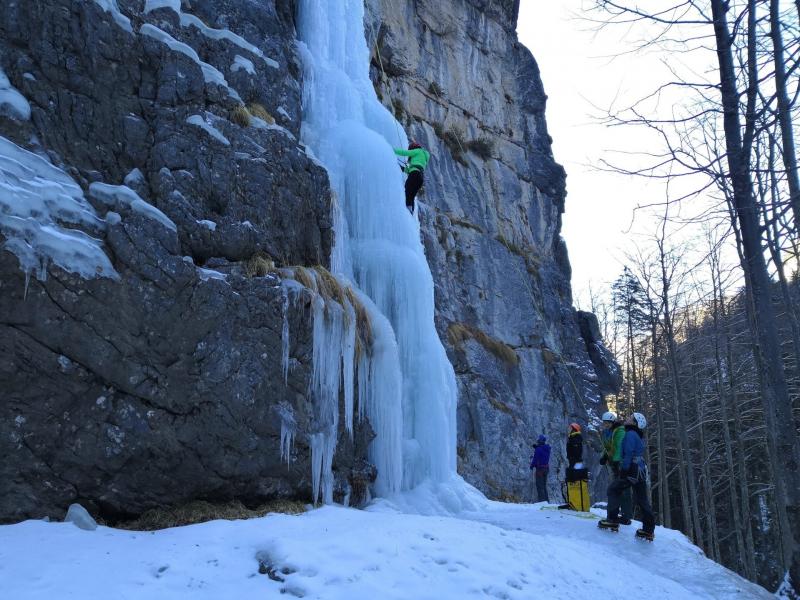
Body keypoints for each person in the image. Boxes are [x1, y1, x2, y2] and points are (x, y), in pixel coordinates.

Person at [599, 412, 656, 540]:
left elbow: (628, 453)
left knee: (613, 489)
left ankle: (612, 520)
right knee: (642, 500)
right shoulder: (636, 434)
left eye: (631, 418)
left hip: (632, 469)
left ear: (634, 423)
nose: (628, 418)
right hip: (640, 469)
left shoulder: (630, 434)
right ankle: (648, 530)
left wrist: (624, 470)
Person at [599, 411, 632, 524]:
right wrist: (604, 456)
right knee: (617, 489)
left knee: (622, 490)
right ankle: (618, 514)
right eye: (605, 423)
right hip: (614, 464)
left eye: (608, 423)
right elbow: (607, 447)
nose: (606, 425)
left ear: (613, 422)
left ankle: (626, 515)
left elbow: (618, 447)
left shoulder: (620, 431)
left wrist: (617, 462)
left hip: (621, 464)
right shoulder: (606, 432)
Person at [394, 140, 430, 212]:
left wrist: (392, 149)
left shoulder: (418, 151)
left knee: (407, 191)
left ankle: (406, 212)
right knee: (411, 196)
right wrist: (402, 168)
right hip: (420, 177)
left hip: (414, 174)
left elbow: (405, 153)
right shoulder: (423, 158)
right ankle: (410, 214)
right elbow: (410, 169)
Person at [529, 434, 551, 502]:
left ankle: (542, 501)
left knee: (539, 486)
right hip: (546, 469)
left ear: (539, 441)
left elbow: (535, 459)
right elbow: (542, 452)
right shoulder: (547, 449)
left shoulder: (538, 449)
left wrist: (532, 466)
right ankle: (546, 501)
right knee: (544, 486)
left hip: (540, 470)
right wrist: (537, 447)